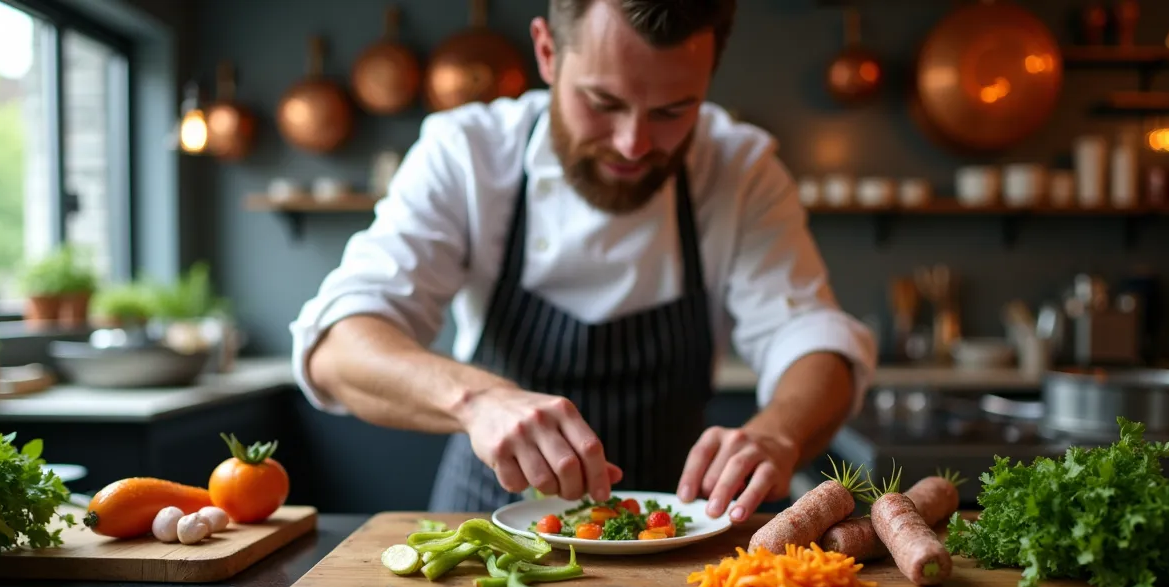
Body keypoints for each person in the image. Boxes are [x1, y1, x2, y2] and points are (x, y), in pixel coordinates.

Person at [290, 0, 877, 522]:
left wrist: (778, 433)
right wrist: (477, 401)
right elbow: (339, 347)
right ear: (547, 52)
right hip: (488, 539)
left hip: (677, 541)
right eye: (603, 102)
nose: (634, 144)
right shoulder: (465, 152)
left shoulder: (740, 169)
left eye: (674, 111)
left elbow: (812, 338)